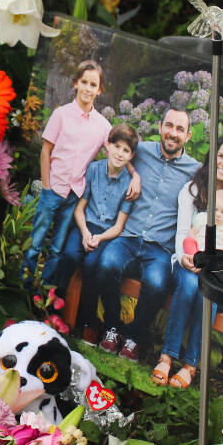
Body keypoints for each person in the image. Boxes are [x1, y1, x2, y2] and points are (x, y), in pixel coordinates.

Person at [95, 108, 200, 360]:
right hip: (128, 237)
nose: (173, 134)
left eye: (180, 129)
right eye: (169, 126)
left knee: (156, 284)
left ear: (188, 135)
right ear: (160, 126)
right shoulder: (141, 151)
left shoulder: (195, 170)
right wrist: (134, 173)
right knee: (107, 264)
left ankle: (133, 336)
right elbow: (110, 146)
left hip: (160, 248)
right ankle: (112, 328)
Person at [23, 60, 136, 290]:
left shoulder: (103, 126)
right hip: (52, 189)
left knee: (57, 248)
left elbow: (115, 152)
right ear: (76, 83)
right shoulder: (61, 115)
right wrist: (46, 186)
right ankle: (24, 286)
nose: (87, 88)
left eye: (93, 84)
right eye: (84, 82)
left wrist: (135, 175)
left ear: (99, 89)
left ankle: (43, 293)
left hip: (74, 195)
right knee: (35, 243)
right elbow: (46, 152)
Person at [152, 137, 223, 387]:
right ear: (212, 156)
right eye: (221, 156)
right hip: (188, 260)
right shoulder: (192, 190)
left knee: (208, 294)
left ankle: (190, 365)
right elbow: (182, 232)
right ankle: (166, 357)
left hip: (217, 270)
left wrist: (213, 266)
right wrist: (186, 258)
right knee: (187, 286)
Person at [60, 123, 139, 332]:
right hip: (85, 225)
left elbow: (119, 226)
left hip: (107, 234)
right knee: (69, 255)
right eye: (117, 147)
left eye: (126, 150)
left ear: (131, 156)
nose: (120, 154)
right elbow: (80, 209)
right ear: (108, 146)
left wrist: (99, 238)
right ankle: (55, 309)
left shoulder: (130, 184)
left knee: (91, 264)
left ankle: (85, 323)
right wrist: (86, 233)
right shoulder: (94, 170)